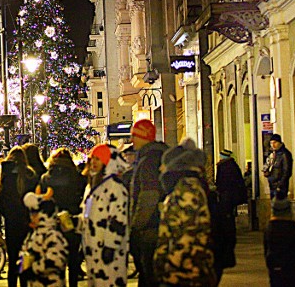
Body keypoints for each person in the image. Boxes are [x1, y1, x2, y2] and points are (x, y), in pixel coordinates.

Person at [154, 139, 216, 286]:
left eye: (164, 164)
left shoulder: (187, 191)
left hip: (185, 272)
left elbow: (187, 234)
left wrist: (171, 265)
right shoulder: (180, 189)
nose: (160, 168)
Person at [79, 144, 129, 287]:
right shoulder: (92, 186)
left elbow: (119, 218)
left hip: (109, 254)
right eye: (92, 158)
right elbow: (89, 213)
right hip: (93, 251)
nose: (94, 162)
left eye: (98, 159)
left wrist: (110, 246)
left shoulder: (115, 187)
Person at [128, 119, 168, 287]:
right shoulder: (160, 155)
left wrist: (136, 225)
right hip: (159, 225)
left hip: (150, 229)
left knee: (149, 275)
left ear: (144, 136)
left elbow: (149, 196)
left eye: (134, 136)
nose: (131, 140)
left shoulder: (148, 161)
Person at [0, 146, 39, 287]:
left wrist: (8, 214)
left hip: (11, 223)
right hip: (27, 222)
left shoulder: (4, 175)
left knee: (13, 260)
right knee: (26, 257)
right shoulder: (29, 175)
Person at [40, 148, 85, 287]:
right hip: (72, 219)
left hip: (53, 221)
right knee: (73, 258)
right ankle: (73, 283)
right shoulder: (77, 176)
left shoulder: (46, 178)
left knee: (55, 258)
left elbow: (42, 201)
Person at [18, 187, 68, 287]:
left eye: (34, 213)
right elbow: (25, 252)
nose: (32, 217)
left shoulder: (53, 235)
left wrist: (34, 268)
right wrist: (22, 266)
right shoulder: (34, 234)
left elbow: (56, 261)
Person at [213, 149, 246, 280]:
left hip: (226, 197)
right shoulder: (233, 166)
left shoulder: (224, 166)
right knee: (229, 217)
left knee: (227, 218)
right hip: (230, 198)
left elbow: (222, 183)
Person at [264, 199, 295, 287]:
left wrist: (270, 265)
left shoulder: (269, 229)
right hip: (290, 267)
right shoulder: (293, 229)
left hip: (275, 267)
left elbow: (266, 250)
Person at [262, 134, 293, 199]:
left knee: (279, 205)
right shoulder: (272, 154)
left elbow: (287, 171)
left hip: (280, 187)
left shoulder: (284, 154)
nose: (273, 145)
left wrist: (280, 185)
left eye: (275, 142)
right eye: (271, 143)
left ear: (279, 143)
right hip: (272, 185)